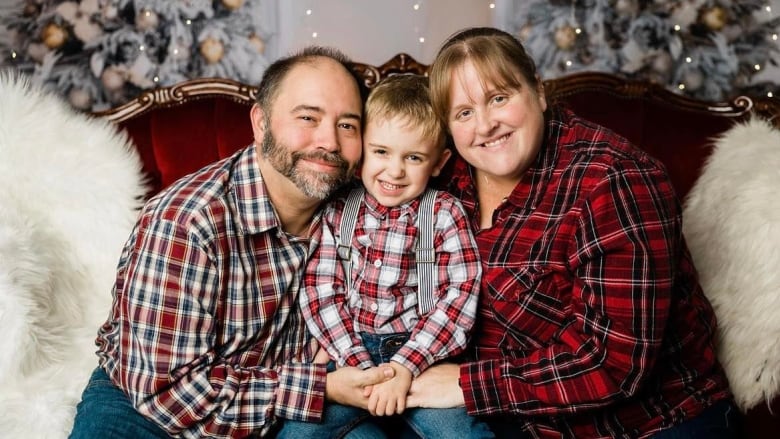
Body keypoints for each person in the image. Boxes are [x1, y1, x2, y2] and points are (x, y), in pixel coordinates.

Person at [406, 27, 739, 438]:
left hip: (647, 424)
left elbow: (614, 365)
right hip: (518, 417)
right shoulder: (444, 179)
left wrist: (465, 383)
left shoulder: (616, 182)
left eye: (499, 98)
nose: (486, 125)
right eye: (464, 113)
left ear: (539, 93)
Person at [69, 46, 397, 439]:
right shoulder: (186, 222)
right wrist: (320, 386)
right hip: (151, 402)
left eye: (347, 125)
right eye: (307, 117)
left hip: (281, 401)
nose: (329, 140)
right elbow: (169, 394)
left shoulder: (364, 210)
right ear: (261, 123)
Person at [278, 75, 492, 438]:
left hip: (423, 357)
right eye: (381, 152)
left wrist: (405, 366)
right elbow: (321, 293)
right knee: (297, 433)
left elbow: (460, 296)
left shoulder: (444, 213)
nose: (395, 171)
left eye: (413, 157)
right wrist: (362, 369)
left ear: (438, 162)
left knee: (464, 435)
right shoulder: (338, 211)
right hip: (348, 355)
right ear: (361, 150)